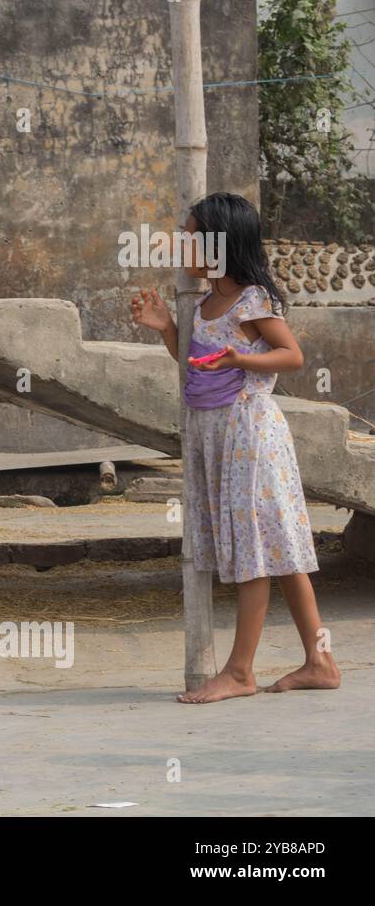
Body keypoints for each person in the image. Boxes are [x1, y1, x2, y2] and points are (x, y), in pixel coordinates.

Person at [130, 192, 340, 703]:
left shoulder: (252, 300)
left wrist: (241, 360)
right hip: (214, 434)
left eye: (191, 234)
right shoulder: (202, 304)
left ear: (222, 244)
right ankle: (320, 661)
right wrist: (168, 331)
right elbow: (198, 369)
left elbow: (292, 356)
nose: (182, 243)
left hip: (251, 435)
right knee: (280, 551)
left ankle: (240, 672)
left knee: (256, 550)